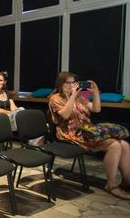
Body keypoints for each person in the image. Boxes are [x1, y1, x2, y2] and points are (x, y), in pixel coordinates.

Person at [49, 72, 130, 200]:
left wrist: (96, 93)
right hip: (71, 134)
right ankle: (111, 185)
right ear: (60, 84)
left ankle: (127, 181)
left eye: (74, 82)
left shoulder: (80, 97)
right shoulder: (55, 98)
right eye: (68, 83)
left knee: (124, 144)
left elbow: (96, 109)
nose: (72, 85)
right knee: (114, 145)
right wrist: (72, 96)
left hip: (88, 131)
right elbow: (65, 115)